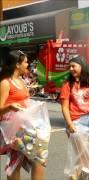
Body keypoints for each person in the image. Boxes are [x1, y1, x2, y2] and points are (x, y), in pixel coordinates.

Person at [0, 50, 45, 180]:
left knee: (39, 159)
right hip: (13, 129)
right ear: (17, 64)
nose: (28, 64)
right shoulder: (5, 83)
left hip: (27, 126)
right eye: (25, 62)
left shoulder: (21, 81)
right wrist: (10, 107)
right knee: (16, 163)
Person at [59, 55, 89, 172]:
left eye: (73, 66)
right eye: (69, 67)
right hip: (77, 122)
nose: (70, 69)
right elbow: (64, 107)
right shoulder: (67, 85)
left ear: (82, 66)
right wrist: (70, 124)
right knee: (84, 157)